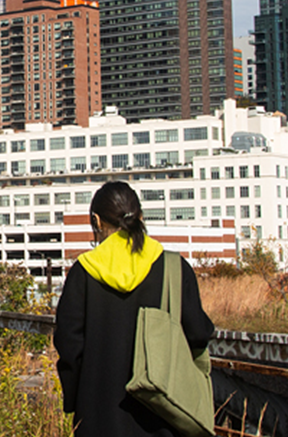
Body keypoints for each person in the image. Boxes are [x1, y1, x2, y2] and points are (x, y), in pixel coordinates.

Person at [54, 181, 215, 436]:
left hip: (97, 420)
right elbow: (198, 335)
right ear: (140, 216)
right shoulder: (174, 269)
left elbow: (69, 345)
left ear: (96, 221)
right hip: (163, 415)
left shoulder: (83, 273)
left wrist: (77, 402)